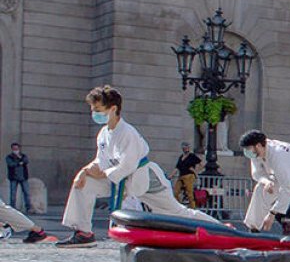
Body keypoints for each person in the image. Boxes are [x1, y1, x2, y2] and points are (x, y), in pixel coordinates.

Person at [59, 85, 220, 248]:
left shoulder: (128, 133)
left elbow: (127, 165)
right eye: (93, 109)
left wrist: (103, 172)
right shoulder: (104, 134)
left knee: (175, 212)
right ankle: (83, 232)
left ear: (113, 109)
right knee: (83, 184)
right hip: (119, 178)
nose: (94, 113)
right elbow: (101, 161)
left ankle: (220, 229)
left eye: (98, 109)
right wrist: (84, 172)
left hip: (145, 178)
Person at [172, 142, 202, 208]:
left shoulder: (192, 156)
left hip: (189, 176)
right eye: (184, 147)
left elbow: (200, 164)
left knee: (189, 193)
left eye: (186, 147)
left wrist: (195, 171)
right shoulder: (181, 157)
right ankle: (179, 206)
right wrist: (171, 175)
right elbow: (177, 167)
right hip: (181, 176)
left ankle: (193, 208)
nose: (185, 149)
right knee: (176, 192)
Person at [6, 142, 30, 213]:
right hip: (13, 177)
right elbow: (11, 164)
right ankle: (12, 208)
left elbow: (26, 160)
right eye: (14, 149)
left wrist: (20, 158)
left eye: (16, 148)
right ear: (12, 149)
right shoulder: (9, 157)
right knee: (13, 193)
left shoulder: (23, 156)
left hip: (23, 177)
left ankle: (28, 207)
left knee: (26, 192)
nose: (15, 150)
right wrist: (19, 163)